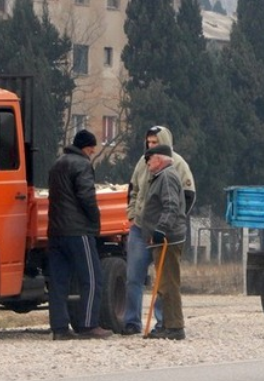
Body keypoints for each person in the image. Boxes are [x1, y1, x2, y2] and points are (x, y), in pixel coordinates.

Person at [122, 126, 196, 335]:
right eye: (149, 142)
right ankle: (132, 321)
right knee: (134, 277)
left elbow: (181, 199)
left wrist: (167, 225)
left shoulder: (175, 167)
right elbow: (133, 190)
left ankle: (166, 323)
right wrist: (132, 215)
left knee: (165, 280)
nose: (150, 146)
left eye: (155, 143)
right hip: (140, 228)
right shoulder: (144, 163)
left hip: (163, 232)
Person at [46, 129, 112, 340]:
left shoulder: (57, 164)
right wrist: (95, 220)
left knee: (58, 282)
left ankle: (59, 328)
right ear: (86, 147)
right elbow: (86, 196)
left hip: (55, 231)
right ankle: (88, 324)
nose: (92, 152)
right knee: (92, 278)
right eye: (92, 148)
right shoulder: (82, 165)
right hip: (78, 230)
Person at [141, 144, 187, 340]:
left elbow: (171, 205)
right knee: (163, 283)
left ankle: (175, 327)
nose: (147, 163)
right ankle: (167, 325)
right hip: (163, 238)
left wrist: (161, 228)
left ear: (158, 159)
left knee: (168, 283)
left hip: (168, 238)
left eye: (149, 159)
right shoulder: (162, 176)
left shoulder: (166, 176)